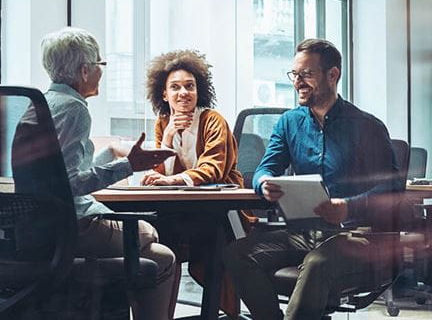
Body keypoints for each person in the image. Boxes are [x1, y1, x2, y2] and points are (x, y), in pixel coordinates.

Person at [224, 38, 403, 320]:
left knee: (318, 263)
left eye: (306, 74)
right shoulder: (289, 123)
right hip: (304, 233)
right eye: (294, 74)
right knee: (237, 253)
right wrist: (264, 183)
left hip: (357, 236)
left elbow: (393, 189)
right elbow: (263, 169)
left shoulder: (366, 126)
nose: (297, 82)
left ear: (333, 75)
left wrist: (348, 206)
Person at [38, 27, 178, 320]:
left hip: (40, 229)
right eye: (101, 65)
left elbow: (60, 172)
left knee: (161, 257)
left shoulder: (40, 105)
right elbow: (70, 184)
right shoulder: (75, 109)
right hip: (74, 227)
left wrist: (111, 153)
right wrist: (130, 165)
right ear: (85, 69)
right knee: (149, 232)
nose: (103, 72)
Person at [141, 49, 244, 317]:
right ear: (164, 94)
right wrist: (168, 138)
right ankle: (160, 312)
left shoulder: (213, 121)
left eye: (190, 86)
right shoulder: (164, 122)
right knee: (159, 234)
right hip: (183, 207)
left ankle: (216, 311)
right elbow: (158, 171)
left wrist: (172, 179)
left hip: (221, 210)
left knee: (198, 237)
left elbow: (213, 168)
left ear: (199, 90)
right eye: (174, 88)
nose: (183, 93)